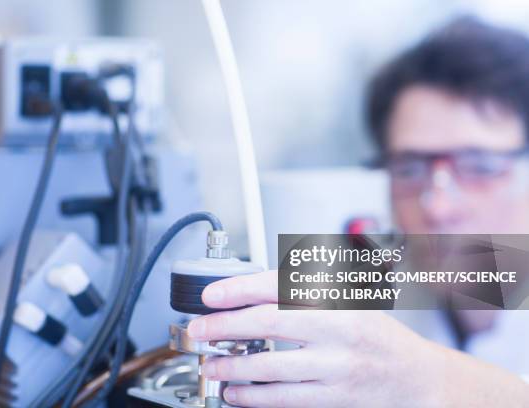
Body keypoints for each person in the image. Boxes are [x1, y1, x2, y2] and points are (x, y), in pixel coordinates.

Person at [187, 17, 529, 407]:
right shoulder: (383, 280)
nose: (437, 206)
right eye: (409, 169)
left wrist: (427, 379)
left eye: (480, 167)